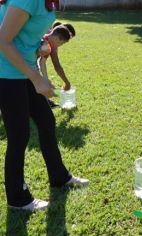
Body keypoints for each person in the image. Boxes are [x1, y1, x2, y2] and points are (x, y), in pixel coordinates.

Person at [0, 0, 89, 211]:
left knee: (46, 120)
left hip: (24, 69)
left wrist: (38, 44)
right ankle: (17, 198)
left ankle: (58, 176)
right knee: (19, 135)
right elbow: (3, 40)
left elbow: (25, 29)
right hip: (6, 72)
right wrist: (37, 78)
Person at [37, 24, 74, 94]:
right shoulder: (44, 44)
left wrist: (46, 79)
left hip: (30, 67)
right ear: (57, 39)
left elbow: (42, 62)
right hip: (20, 66)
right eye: (61, 44)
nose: (59, 46)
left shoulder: (49, 46)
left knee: (45, 85)